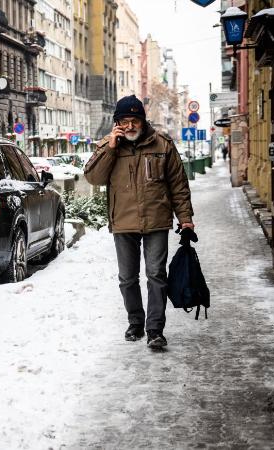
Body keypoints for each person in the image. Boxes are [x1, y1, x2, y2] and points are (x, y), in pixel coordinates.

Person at [84, 95, 195, 349]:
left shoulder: (163, 144)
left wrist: (185, 219)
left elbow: (178, 185)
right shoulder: (108, 146)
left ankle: (155, 329)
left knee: (156, 274)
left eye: (135, 120)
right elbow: (93, 178)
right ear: (117, 124)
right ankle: (135, 322)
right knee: (127, 278)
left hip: (156, 220)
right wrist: (110, 148)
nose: (130, 126)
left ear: (143, 121)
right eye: (124, 121)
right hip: (123, 222)